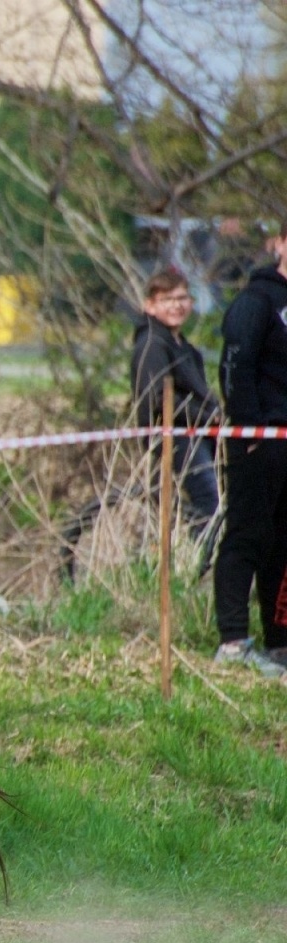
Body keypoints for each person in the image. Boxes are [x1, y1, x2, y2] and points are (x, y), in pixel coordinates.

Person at [213, 221, 287, 677]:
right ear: (280, 244)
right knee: (247, 535)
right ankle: (233, 641)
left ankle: (280, 641)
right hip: (260, 444)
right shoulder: (256, 300)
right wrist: (251, 430)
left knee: (283, 543)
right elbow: (234, 367)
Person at [129, 268, 220, 546]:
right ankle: (204, 558)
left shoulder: (184, 347)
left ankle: (201, 552)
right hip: (175, 436)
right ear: (150, 305)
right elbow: (158, 398)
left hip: (197, 433)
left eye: (181, 298)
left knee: (212, 500)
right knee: (208, 500)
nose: (176, 305)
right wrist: (207, 416)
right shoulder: (152, 344)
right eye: (167, 299)